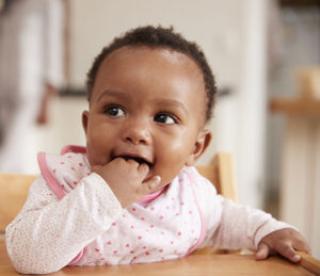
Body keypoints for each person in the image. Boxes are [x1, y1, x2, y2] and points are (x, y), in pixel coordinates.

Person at [5, 26, 309, 274]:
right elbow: (27, 256)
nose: (136, 131)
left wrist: (266, 231)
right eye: (114, 110)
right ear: (87, 126)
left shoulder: (189, 198)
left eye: (164, 118)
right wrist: (104, 194)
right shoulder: (65, 181)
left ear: (196, 147)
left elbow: (228, 220)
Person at [0, 0, 63, 173]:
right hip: (4, 83)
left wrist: (47, 98)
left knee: (15, 145)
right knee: (15, 147)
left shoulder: (48, 3)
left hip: (28, 85)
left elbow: (53, 46)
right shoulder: (9, 7)